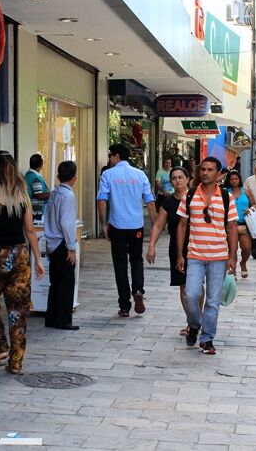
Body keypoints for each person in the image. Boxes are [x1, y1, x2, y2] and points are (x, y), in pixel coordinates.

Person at [0, 151, 45, 374]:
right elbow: (30, 230)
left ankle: (0, 345)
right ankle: (16, 363)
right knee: (18, 310)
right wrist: (38, 260)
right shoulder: (22, 194)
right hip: (20, 256)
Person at [176, 157, 238, 355]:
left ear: (218, 174)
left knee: (212, 300)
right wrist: (179, 254)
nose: (205, 173)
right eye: (202, 169)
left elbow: (232, 228)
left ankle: (207, 339)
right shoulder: (190, 195)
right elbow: (182, 225)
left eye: (210, 170)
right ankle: (194, 324)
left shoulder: (227, 198)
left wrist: (232, 256)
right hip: (194, 255)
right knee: (191, 294)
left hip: (218, 257)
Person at [96, 144, 157, 317]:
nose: (109, 159)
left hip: (117, 226)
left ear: (117, 156)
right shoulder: (140, 175)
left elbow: (102, 200)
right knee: (136, 259)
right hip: (136, 225)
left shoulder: (108, 174)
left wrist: (103, 224)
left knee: (120, 265)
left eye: (110, 156)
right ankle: (138, 289)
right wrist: (155, 225)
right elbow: (150, 201)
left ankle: (124, 305)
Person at [146, 166, 201, 336]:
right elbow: (158, 224)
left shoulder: (196, 197)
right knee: (184, 286)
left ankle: (199, 318)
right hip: (177, 248)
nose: (177, 181)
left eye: (180, 177)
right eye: (174, 178)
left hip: (198, 245)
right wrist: (151, 245)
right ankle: (192, 322)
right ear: (170, 181)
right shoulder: (168, 202)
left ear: (188, 178)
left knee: (198, 287)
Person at [43, 161, 79, 330]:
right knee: (66, 282)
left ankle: (52, 318)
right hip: (61, 243)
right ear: (74, 178)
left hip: (51, 242)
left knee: (55, 282)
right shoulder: (68, 196)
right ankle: (63, 319)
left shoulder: (54, 193)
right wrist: (71, 248)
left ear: (58, 176)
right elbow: (67, 223)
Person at [223, 170, 255, 278]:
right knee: (232, 249)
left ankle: (243, 263)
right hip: (230, 225)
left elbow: (254, 204)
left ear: (239, 180)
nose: (234, 181)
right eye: (231, 179)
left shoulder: (245, 191)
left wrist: (250, 209)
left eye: (236, 179)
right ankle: (233, 269)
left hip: (244, 224)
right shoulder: (224, 192)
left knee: (246, 247)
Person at [24, 153, 50, 224]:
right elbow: (39, 195)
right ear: (41, 165)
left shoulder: (28, 175)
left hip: (29, 209)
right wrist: (52, 194)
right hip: (36, 211)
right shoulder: (35, 177)